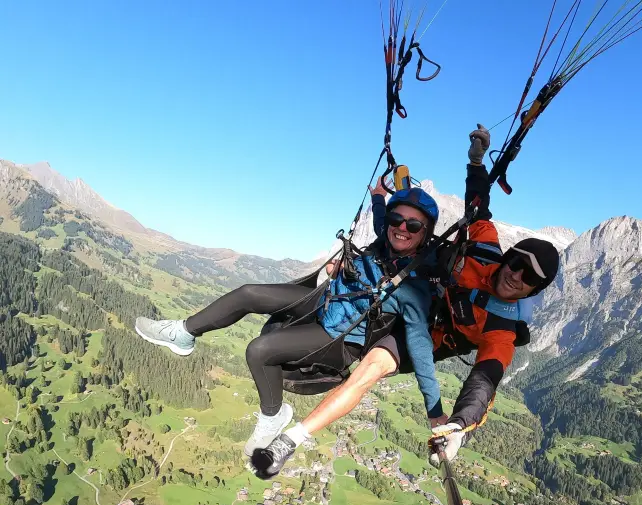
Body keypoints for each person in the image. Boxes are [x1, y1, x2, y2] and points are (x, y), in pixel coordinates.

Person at [251, 124, 561, 477]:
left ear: (534, 291)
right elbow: (478, 203)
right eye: (517, 264)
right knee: (341, 295)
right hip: (408, 290)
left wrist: (459, 423)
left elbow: (484, 379)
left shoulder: (500, 330)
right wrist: (476, 161)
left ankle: (288, 441)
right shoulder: (486, 244)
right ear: (508, 257)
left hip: (423, 336)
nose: (517, 276)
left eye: (530, 278)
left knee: (371, 369)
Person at [133, 185, 442, 460]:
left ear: (425, 233)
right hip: (326, 302)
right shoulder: (386, 239)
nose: (401, 228)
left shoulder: (414, 288)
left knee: (259, 350)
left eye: (413, 225)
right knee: (248, 293)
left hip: (339, 337)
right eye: (396, 220)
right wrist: (378, 195)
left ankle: (273, 415)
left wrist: (435, 411)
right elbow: (380, 216)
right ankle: (182, 333)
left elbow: (419, 346)